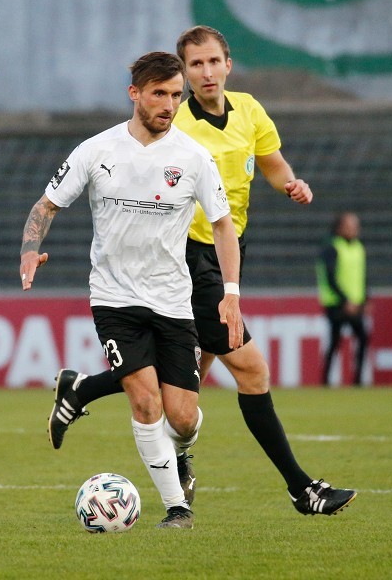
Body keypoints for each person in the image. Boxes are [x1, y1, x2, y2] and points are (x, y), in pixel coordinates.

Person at [48, 26, 357, 517]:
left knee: (187, 381)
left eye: (213, 62)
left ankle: (86, 391)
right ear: (184, 74)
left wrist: (291, 184)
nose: (205, 72)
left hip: (230, 252)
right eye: (194, 65)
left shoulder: (250, 109)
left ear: (228, 64)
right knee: (252, 370)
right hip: (190, 258)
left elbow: (270, 162)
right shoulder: (176, 123)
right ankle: (303, 489)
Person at [21, 51, 244, 529]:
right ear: (135, 94)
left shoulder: (193, 157)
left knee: (183, 417)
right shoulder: (96, 150)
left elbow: (224, 227)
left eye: (176, 95)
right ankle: (177, 509)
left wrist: (231, 292)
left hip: (172, 299)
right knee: (145, 400)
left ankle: (179, 453)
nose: (169, 103)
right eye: (160, 93)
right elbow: (46, 206)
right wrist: (28, 248)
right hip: (114, 298)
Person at [316, 211, 369, 387]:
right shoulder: (332, 247)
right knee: (335, 341)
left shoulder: (358, 248)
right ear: (339, 228)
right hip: (337, 304)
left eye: (355, 226)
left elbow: (363, 276)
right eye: (350, 226)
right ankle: (325, 381)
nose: (354, 229)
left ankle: (358, 380)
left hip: (356, 303)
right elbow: (330, 277)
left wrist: (366, 299)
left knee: (362, 338)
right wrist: (345, 300)